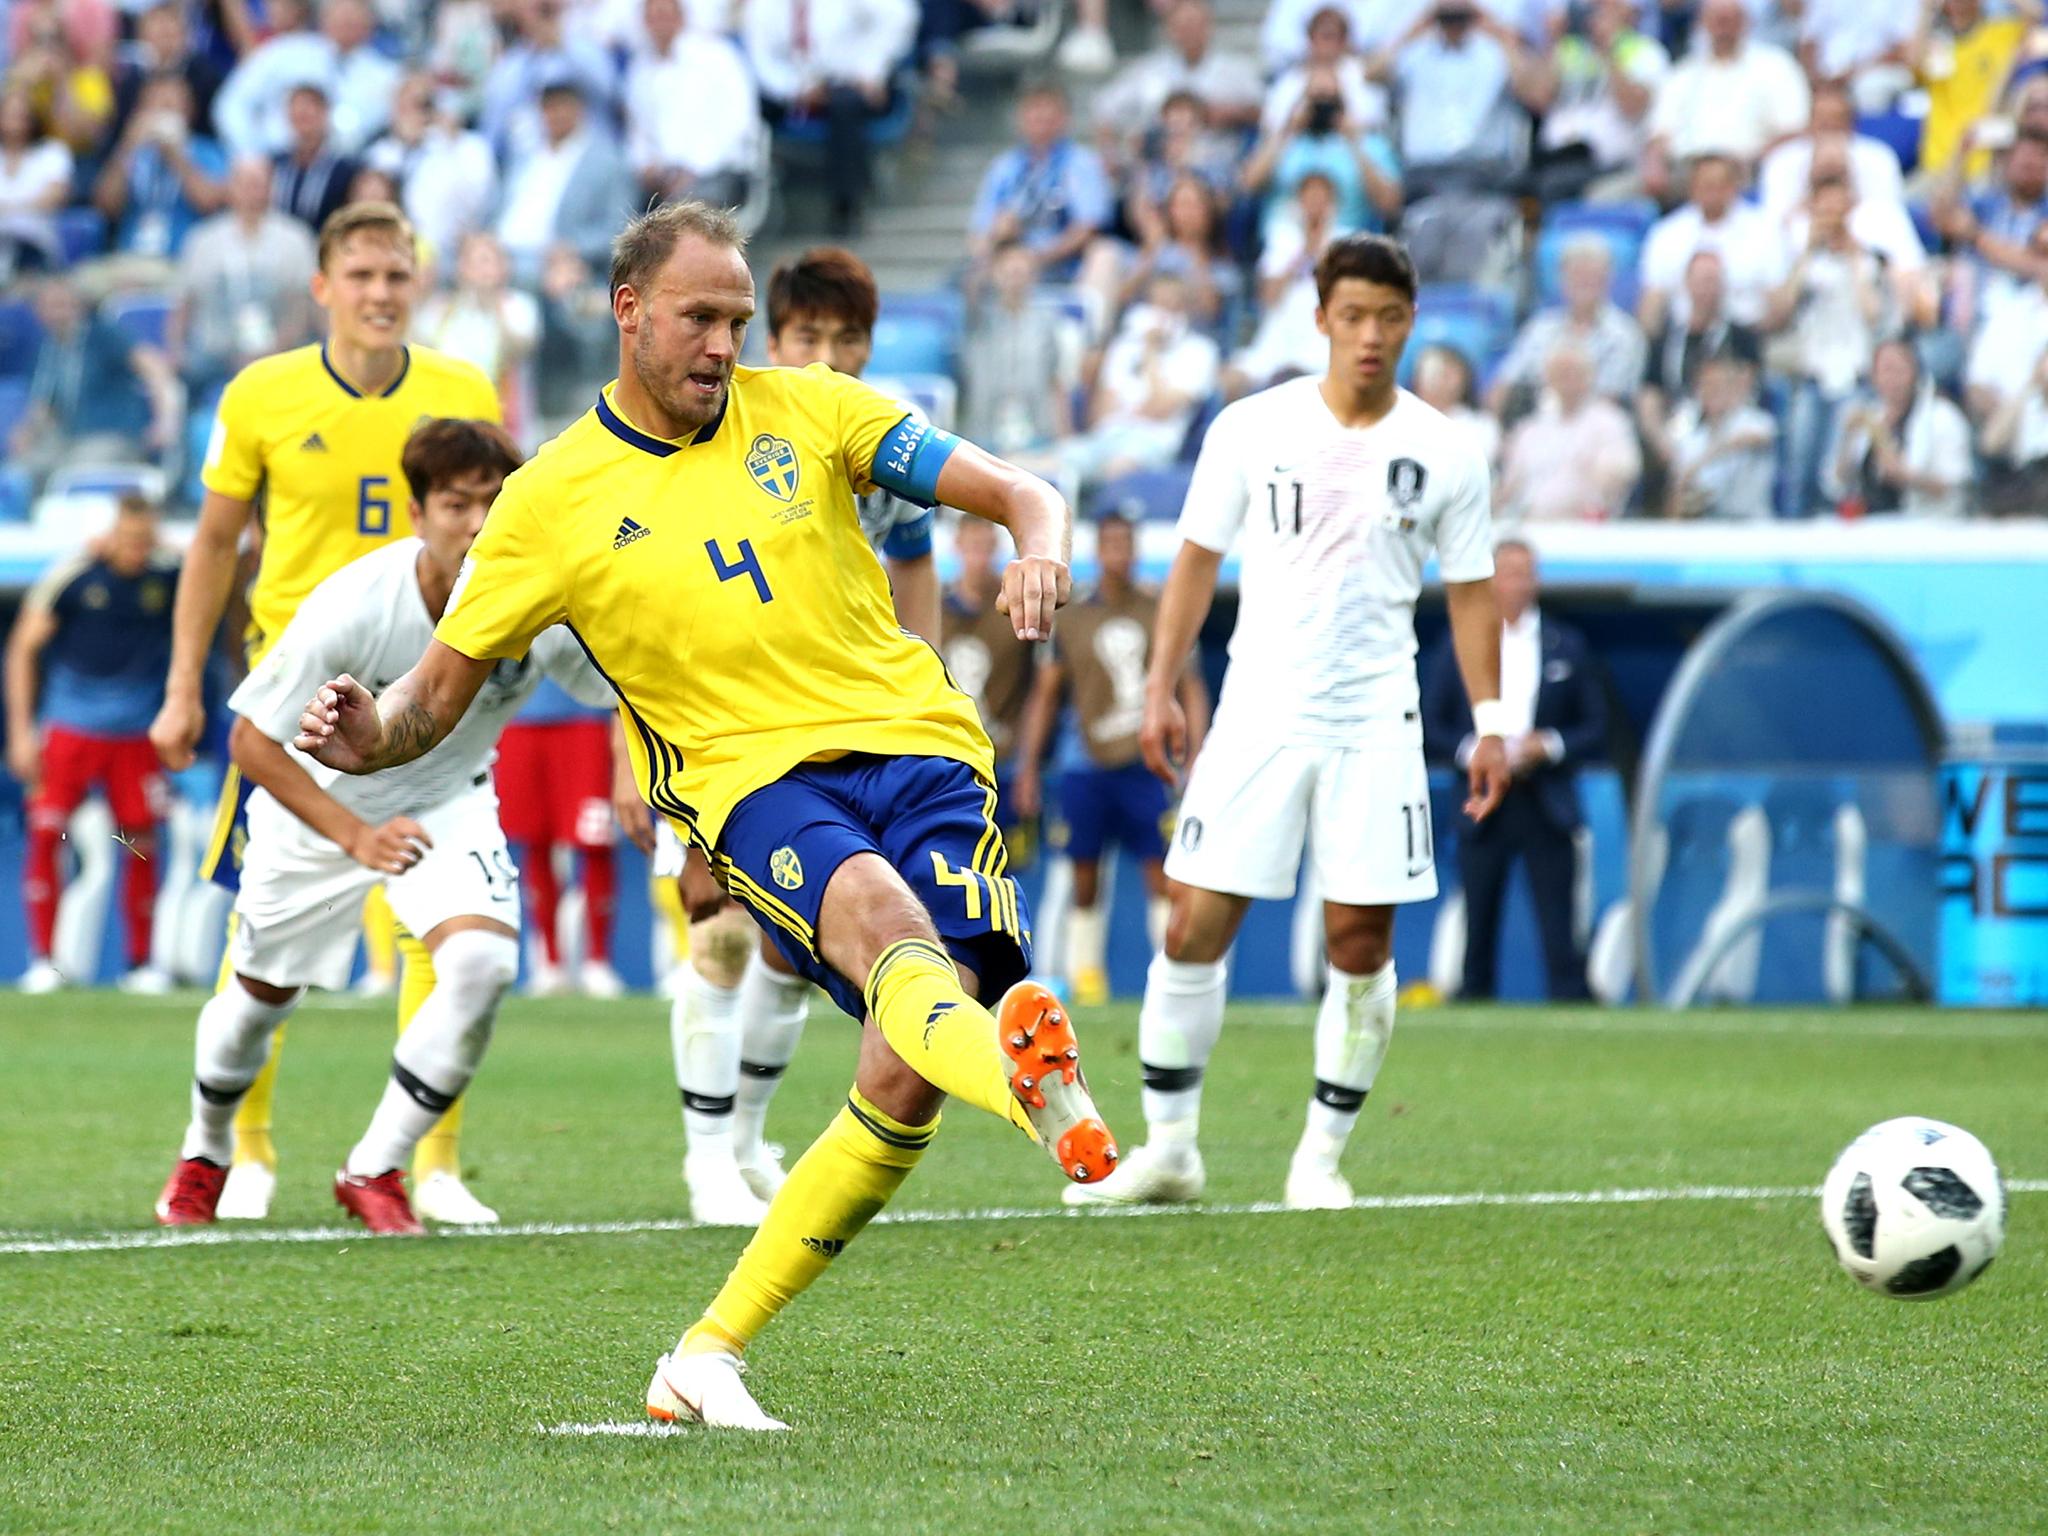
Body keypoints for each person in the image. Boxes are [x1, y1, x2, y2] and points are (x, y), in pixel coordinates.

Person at [292, 199, 1118, 1431]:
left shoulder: (814, 409)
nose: (726, 344)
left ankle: (706, 1352)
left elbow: (1016, 489)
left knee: (905, 1069)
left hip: (925, 750)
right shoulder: (549, 500)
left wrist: (1038, 546)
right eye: (700, 318)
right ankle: (1029, 1083)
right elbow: (426, 700)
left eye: (737, 320)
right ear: (629, 312)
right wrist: (371, 736)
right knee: (888, 933)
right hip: (751, 783)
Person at [1066, 233, 1509, 1214]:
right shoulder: (1247, 428)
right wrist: (1157, 688)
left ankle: (1317, 1158)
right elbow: (1189, 561)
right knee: (1191, 923)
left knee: (1358, 941)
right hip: (1258, 703)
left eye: (1387, 318)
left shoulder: (1443, 450)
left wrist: (1490, 720)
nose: (1368, 336)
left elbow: (1473, 596)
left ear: (1409, 323)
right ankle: (1170, 1148)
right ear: (1318, 320)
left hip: (1375, 717)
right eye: (1350, 316)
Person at [152, 419, 614, 1234]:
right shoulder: (356, 603)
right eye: (455, 504)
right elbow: (251, 743)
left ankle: (373, 1168)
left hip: (446, 801)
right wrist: (355, 836)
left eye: (492, 503)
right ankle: (206, 1148)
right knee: (259, 999)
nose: (475, 523)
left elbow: (626, 683)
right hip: (316, 810)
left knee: (480, 962)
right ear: (416, 514)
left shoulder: (538, 602)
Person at [147, 200, 503, 1226]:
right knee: (260, 952)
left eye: (397, 275)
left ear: (417, 284)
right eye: (361, 276)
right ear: (322, 288)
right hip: (294, 703)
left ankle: (425, 1163)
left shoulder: (460, 390)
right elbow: (214, 543)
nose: (380, 294)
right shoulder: (262, 393)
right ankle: (240, 1150)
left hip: (433, 690)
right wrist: (183, 687)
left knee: (450, 936)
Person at [611, 244, 951, 1225]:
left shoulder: (873, 443)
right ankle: (706, 1158)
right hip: (709, 732)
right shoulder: (703, 437)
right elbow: (622, 617)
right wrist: (626, 751)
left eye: (850, 342)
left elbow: (916, 561)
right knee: (716, 935)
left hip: (837, 731)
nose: (831, 359)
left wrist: (920, 700)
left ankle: (750, 1136)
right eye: (809, 337)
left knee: (800, 954)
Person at [1013, 512, 1209, 1006]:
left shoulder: (1158, 607)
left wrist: (1197, 757)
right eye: (1109, 545)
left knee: (1161, 872)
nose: (1118, 554)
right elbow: (1046, 694)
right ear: (1096, 552)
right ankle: (1088, 977)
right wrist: (1031, 766)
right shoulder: (1074, 615)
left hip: (1149, 759)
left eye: (1125, 544)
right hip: (1087, 761)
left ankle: (1170, 971)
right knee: (1083, 874)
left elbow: (1190, 687)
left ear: (1135, 549)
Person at [6, 496, 179, 995]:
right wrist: (22, 731)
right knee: (48, 835)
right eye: (128, 540)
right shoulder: (75, 576)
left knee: (142, 843)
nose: (135, 551)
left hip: (137, 733)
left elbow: (219, 580)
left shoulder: (167, 575)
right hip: (71, 728)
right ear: (108, 535)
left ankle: (141, 963)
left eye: (144, 541)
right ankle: (43, 959)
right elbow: (23, 645)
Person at [1422, 537, 1606, 1001]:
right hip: (1484, 797)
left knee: (1559, 922)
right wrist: (1480, 751)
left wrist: (1549, 745)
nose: (1516, 583)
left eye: (1525, 573)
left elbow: (1596, 726)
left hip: (1544, 796)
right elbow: (1430, 721)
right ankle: (1474, 1002)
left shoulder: (1568, 644)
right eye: (1507, 572)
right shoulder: (1461, 642)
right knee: (1478, 916)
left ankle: (1570, 1005)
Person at [495, 678, 624, 998]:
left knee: (594, 840)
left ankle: (598, 962)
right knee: (535, 839)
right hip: (518, 716)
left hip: (587, 717)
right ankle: (550, 963)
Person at [743, 0, 919, 234]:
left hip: (845, 81)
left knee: (845, 106)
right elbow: (761, 62)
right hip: (789, 88)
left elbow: (900, 16)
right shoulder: (762, 7)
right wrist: (795, 90)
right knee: (747, 103)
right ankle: (743, 201)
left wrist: (871, 70)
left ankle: (847, 205)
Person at [173, 157, 321, 405]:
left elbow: (303, 309)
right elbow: (184, 305)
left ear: (271, 188)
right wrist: (176, 351)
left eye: (259, 183)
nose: (251, 191)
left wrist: (270, 351)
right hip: (215, 356)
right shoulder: (202, 240)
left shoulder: (296, 238)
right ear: (230, 186)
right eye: (244, 183)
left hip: (280, 355)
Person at [494, 78, 637, 287]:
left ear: (579, 109)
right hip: (501, 253)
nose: (554, 115)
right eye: (547, 108)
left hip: (556, 262)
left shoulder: (608, 162)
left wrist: (574, 248)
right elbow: (496, 209)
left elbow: (621, 231)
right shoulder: (524, 154)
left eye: (561, 106)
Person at [968, 78, 1115, 281]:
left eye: (1049, 112)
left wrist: (1038, 257)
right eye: (1034, 110)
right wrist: (995, 238)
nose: (1041, 118)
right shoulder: (1003, 167)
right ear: (1021, 117)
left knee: (1104, 254)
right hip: (1010, 261)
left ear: (1064, 118)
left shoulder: (1081, 162)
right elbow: (979, 230)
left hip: (1066, 263)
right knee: (974, 272)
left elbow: (1088, 227)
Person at [624, 0, 760, 212]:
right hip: (662, 176)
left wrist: (692, 169)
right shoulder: (639, 68)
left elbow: (737, 123)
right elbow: (637, 130)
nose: (660, 23)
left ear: (681, 17)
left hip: (717, 170)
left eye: (665, 15)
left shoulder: (717, 56)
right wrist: (645, 165)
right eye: (653, 17)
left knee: (681, 216)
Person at [1828, 337, 1973, 518]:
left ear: (1915, 372)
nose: (1892, 379)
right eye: (1885, 370)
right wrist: (1847, 438)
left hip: (1924, 522)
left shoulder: (1943, 418)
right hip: (1870, 523)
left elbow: (1955, 485)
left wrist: (1907, 477)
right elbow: (1838, 483)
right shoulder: (1870, 417)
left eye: (1899, 370)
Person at [1496, 342, 1642, 522]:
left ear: (1589, 376)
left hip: (1583, 528)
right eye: (1560, 373)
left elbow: (1619, 473)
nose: (1568, 380)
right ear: (1548, 378)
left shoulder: (1610, 421)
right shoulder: (1531, 428)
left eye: (1574, 372)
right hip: (1529, 524)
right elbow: (1510, 486)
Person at [90, 70, 226, 261]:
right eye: (155, 106)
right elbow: (106, 206)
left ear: (189, 110)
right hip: (130, 259)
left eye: (170, 106)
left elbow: (211, 204)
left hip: (182, 259)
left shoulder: (205, 151)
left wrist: (176, 156)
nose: (162, 114)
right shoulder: (132, 153)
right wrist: (127, 146)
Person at [1659, 350, 1778, 519]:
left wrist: (1700, 463)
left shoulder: (1755, 420)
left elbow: (1750, 439)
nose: (1711, 393)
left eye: (1718, 386)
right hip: (1708, 524)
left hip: (1752, 525)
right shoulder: (1690, 433)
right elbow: (1679, 486)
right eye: (1706, 385)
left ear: (1733, 389)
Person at [271, 82, 358, 233]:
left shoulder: (345, 170)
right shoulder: (275, 164)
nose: (303, 118)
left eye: (308, 113)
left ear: (324, 114)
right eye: (298, 114)